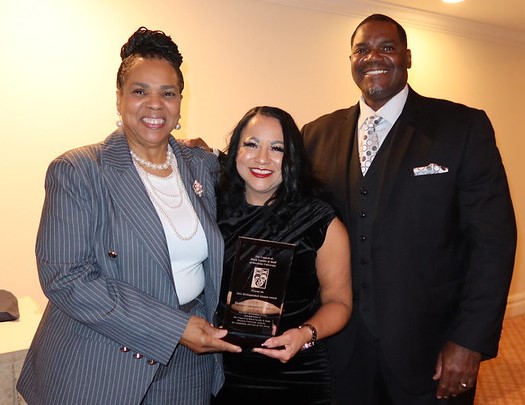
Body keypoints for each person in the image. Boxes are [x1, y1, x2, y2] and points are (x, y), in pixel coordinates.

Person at [17, 27, 241, 405]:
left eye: (167, 93)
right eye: (140, 91)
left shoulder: (200, 165)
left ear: (180, 103)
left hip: (188, 364)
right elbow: (65, 278)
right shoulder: (79, 170)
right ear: (119, 98)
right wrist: (174, 327)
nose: (155, 104)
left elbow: (258, 195)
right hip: (99, 363)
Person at [301, 14, 517, 405]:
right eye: (362, 49)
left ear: (408, 57)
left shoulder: (462, 127)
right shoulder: (316, 134)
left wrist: (469, 341)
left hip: (431, 349)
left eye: (387, 47)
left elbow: (494, 244)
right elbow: (282, 205)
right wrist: (212, 162)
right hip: (343, 350)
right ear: (350, 60)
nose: (374, 57)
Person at [211, 106, 352, 404]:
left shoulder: (320, 221)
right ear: (235, 149)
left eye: (277, 148)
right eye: (251, 144)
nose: (262, 158)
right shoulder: (209, 211)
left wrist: (304, 334)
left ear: (292, 159)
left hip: (298, 375)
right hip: (221, 372)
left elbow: (339, 302)